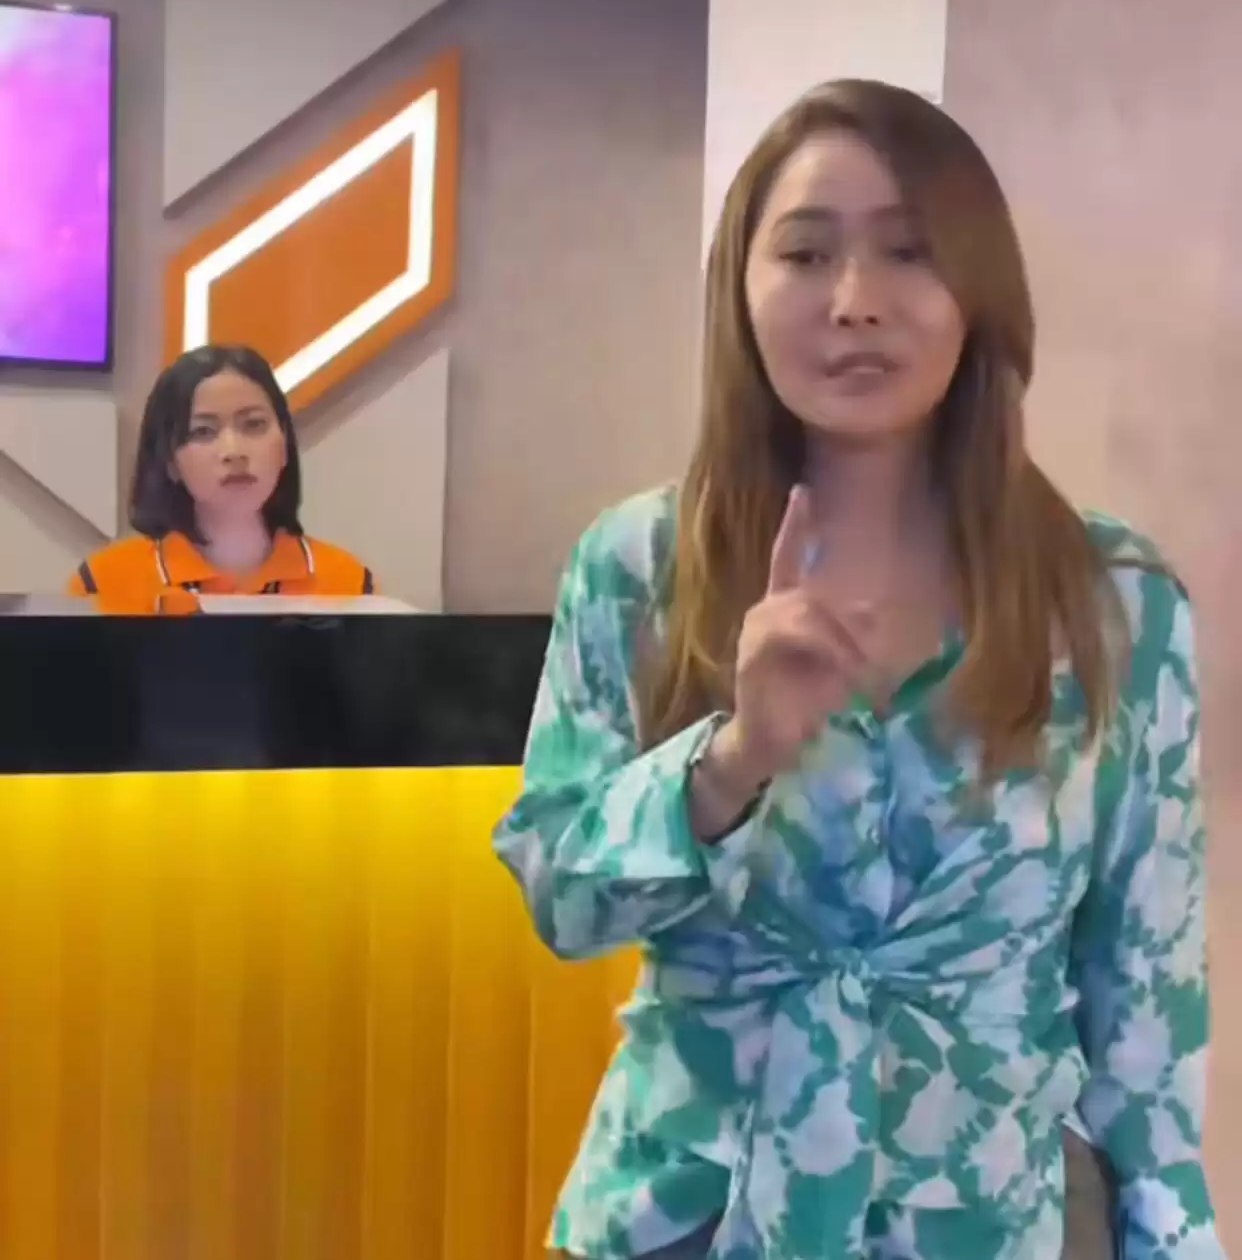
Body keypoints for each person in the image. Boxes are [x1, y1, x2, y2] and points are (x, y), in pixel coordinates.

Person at [494, 81, 1220, 1260]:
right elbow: (562, 903)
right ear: (740, 290)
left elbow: (1149, 992)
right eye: (805, 253)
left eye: (908, 252)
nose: (855, 301)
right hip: (695, 1207)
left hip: (992, 1214)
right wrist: (729, 763)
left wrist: (1173, 1235)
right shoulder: (640, 567)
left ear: (980, 292)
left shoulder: (1112, 602)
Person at [69, 344, 375, 609]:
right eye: (203, 431)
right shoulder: (103, 584)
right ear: (170, 461)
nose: (233, 451)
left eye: (253, 424)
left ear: (284, 445)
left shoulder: (348, 583)